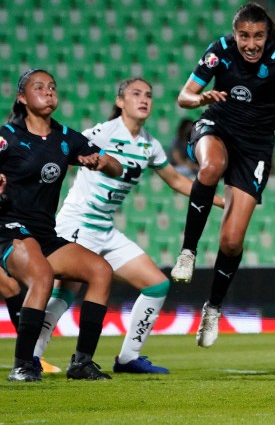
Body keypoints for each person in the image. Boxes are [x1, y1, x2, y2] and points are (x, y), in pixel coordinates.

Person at [33, 78, 221, 374]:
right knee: (64, 292)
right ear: (120, 102)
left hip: (104, 229)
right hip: (77, 223)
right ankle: (33, 356)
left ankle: (128, 357)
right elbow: (62, 155)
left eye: (148, 95)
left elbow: (176, 180)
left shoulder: (149, 145)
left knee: (156, 284)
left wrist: (219, 200)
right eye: (136, 94)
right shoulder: (103, 133)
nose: (144, 99)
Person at [170, 3, 275, 347]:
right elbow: (184, 97)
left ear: (267, 35)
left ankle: (213, 307)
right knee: (210, 166)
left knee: (232, 241)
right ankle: (188, 252)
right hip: (216, 126)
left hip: (255, 150)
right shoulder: (219, 51)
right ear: (235, 34)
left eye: (258, 36)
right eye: (244, 35)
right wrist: (201, 97)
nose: (250, 43)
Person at [0, 69, 123, 381]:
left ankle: (81, 363)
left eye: (52, 86)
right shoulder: (7, 138)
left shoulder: (66, 138)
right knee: (41, 274)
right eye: (39, 87)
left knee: (100, 271)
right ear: (22, 98)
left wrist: (102, 162)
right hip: (8, 228)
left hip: (43, 234)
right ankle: (23, 365)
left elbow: (117, 168)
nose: (48, 91)